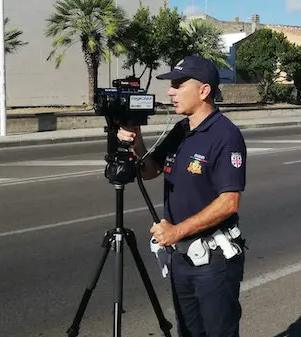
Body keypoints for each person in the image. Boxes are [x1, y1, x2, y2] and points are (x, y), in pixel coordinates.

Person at [117, 55, 247, 337]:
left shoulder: (225, 135)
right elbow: (150, 170)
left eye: (177, 84)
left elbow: (229, 202)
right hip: (181, 260)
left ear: (203, 91)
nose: (170, 91)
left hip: (213, 263)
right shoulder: (180, 130)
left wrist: (176, 231)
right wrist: (136, 138)